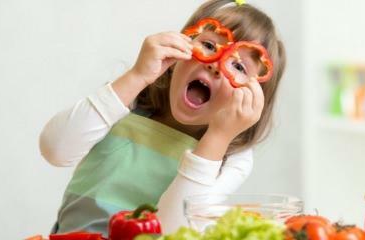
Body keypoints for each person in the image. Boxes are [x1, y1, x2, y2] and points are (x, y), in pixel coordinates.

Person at [39, 0, 286, 236]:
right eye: (209, 46)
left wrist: (218, 138)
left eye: (239, 67)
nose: (216, 65)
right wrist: (136, 75)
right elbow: (55, 150)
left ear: (254, 99)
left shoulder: (233, 156)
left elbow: (174, 231)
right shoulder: (130, 101)